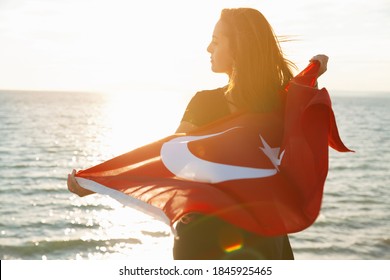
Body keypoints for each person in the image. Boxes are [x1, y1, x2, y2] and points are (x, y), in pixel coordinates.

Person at [68, 7, 328, 259]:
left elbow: (170, 157)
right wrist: (313, 72)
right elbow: (301, 119)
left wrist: (97, 182)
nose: (208, 49)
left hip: (204, 234)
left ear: (238, 47)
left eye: (216, 41)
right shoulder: (282, 103)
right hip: (266, 232)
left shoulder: (206, 103)